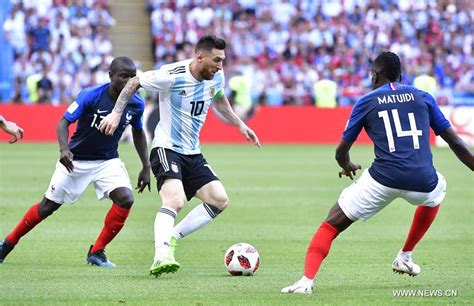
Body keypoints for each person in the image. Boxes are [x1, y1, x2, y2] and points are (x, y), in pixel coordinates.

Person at [281, 51, 474, 294]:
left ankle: (305, 281)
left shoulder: (366, 101)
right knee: (439, 189)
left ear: (374, 76)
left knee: (330, 226)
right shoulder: (424, 97)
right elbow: (456, 142)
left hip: (381, 180)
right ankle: (405, 255)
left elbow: (341, 152)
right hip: (423, 181)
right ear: (401, 76)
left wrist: (346, 165)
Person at [97, 35, 260, 276]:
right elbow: (134, 83)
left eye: (223, 61)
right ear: (199, 57)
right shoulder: (171, 75)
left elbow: (219, 97)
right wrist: (116, 114)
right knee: (174, 201)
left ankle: (172, 235)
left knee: (219, 199)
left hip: (193, 152)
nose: (220, 66)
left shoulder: (216, 75)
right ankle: (161, 255)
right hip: (166, 148)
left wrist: (240, 124)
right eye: (216, 60)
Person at [0, 57, 151, 267]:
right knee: (47, 207)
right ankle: (7, 243)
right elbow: (63, 122)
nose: (128, 82)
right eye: (123, 76)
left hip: (107, 161)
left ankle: (97, 252)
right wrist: (64, 149)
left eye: (132, 77)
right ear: (111, 76)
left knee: (126, 198)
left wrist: (146, 166)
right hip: (76, 160)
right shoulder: (91, 95)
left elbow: (138, 132)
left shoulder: (136, 103)